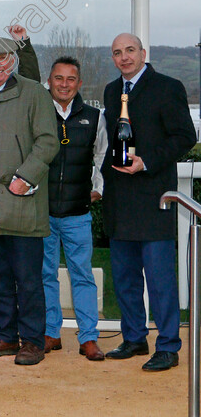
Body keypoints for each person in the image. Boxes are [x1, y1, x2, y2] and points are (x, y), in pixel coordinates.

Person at [101, 33, 196, 371]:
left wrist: (148, 161)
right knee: (125, 278)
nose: (124, 57)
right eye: (117, 53)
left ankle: (168, 346)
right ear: (112, 59)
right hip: (119, 200)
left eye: (130, 50)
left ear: (143, 52)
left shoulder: (168, 87)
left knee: (159, 281)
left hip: (154, 198)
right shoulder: (112, 91)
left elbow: (186, 136)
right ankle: (134, 339)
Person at [0, 36, 59, 366]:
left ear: (13, 62)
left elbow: (48, 142)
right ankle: (5, 336)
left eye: (4, 60)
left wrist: (26, 176)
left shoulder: (34, 92)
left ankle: (32, 340)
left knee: (29, 280)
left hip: (22, 202)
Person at [41, 56, 108, 361]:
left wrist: (98, 188)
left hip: (78, 214)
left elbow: (104, 156)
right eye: (58, 78)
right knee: (45, 275)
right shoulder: (38, 113)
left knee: (82, 275)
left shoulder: (94, 117)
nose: (64, 84)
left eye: (70, 79)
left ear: (79, 84)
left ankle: (89, 338)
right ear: (49, 81)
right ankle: (50, 333)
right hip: (42, 213)